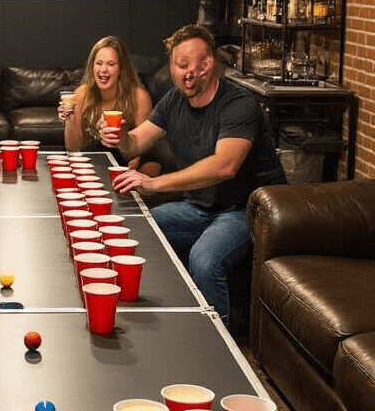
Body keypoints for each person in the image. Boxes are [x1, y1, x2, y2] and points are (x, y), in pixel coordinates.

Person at [111, 24, 286, 324]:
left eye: (199, 64)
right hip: (200, 208)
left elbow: (224, 165)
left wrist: (154, 183)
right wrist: (120, 136)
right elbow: (135, 144)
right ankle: (168, 314)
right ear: (172, 67)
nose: (189, 73)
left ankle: (219, 343)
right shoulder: (174, 100)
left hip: (245, 210)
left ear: (210, 63)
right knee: (137, 230)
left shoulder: (239, 104)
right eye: (181, 65)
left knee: (204, 260)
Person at [58, 35, 160, 175]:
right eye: (99, 63)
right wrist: (70, 119)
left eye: (111, 64)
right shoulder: (81, 94)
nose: (103, 69)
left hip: (128, 159)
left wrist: (132, 167)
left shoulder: (139, 96)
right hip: (96, 158)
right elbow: (73, 147)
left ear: (121, 69)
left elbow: (144, 145)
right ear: (92, 65)